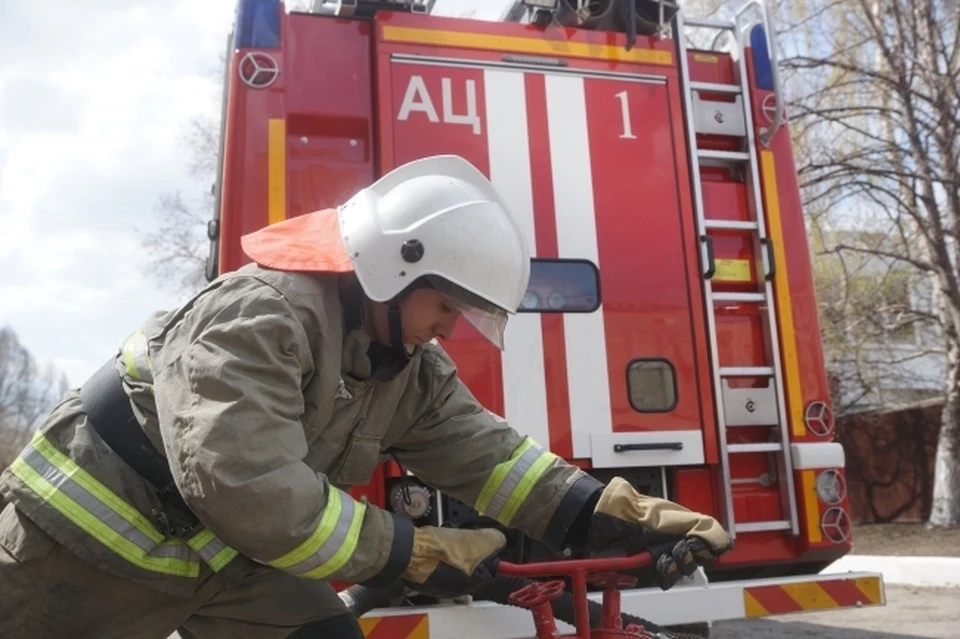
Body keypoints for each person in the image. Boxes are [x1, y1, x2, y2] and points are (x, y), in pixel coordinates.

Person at [0, 155, 732, 639]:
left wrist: (608, 514)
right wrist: (409, 552)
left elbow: (492, 459)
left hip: (222, 563)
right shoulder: (259, 317)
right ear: (391, 271)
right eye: (445, 305)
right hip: (74, 551)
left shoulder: (408, 365)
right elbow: (249, 486)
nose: (451, 328)